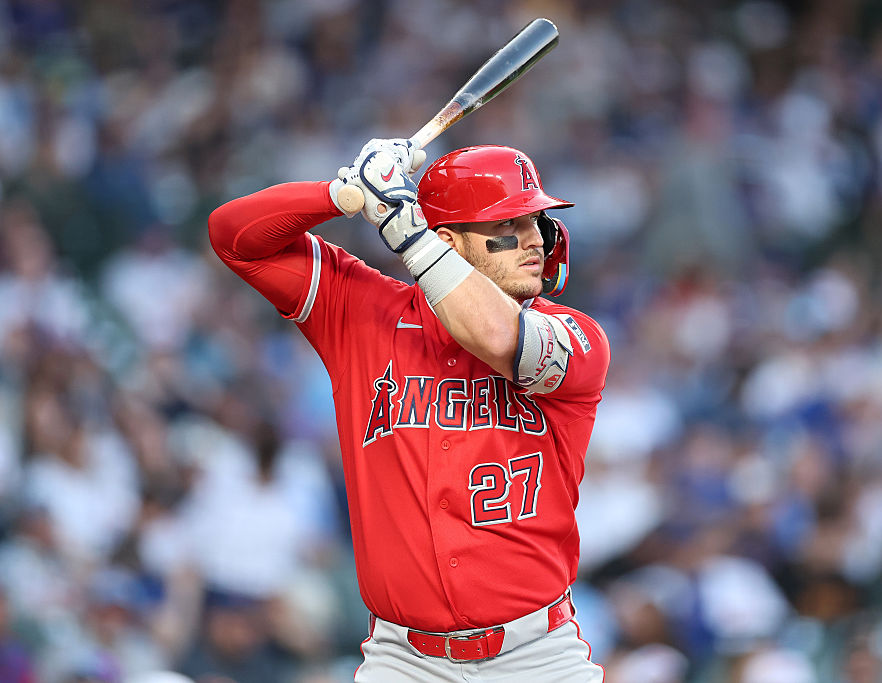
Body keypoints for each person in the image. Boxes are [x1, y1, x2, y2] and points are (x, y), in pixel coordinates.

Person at [208, 139, 611, 682]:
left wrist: (410, 234)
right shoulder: (362, 312)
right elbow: (233, 237)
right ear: (449, 241)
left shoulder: (578, 336)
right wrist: (341, 194)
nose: (535, 238)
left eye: (535, 220)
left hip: (537, 656)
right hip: (403, 661)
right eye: (507, 226)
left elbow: (498, 337)